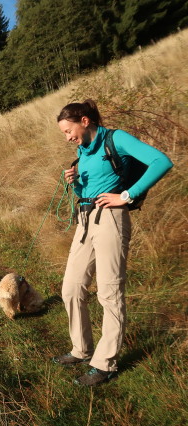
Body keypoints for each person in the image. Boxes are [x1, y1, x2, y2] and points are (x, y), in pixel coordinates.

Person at [52, 99, 173, 386]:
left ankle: (104, 364)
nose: (68, 138)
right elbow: (90, 186)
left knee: (109, 293)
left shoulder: (115, 138)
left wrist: (127, 195)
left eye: (68, 131)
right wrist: (74, 180)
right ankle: (81, 349)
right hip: (84, 221)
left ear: (84, 121)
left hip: (111, 219)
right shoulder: (83, 151)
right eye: (64, 134)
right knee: (71, 288)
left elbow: (162, 161)